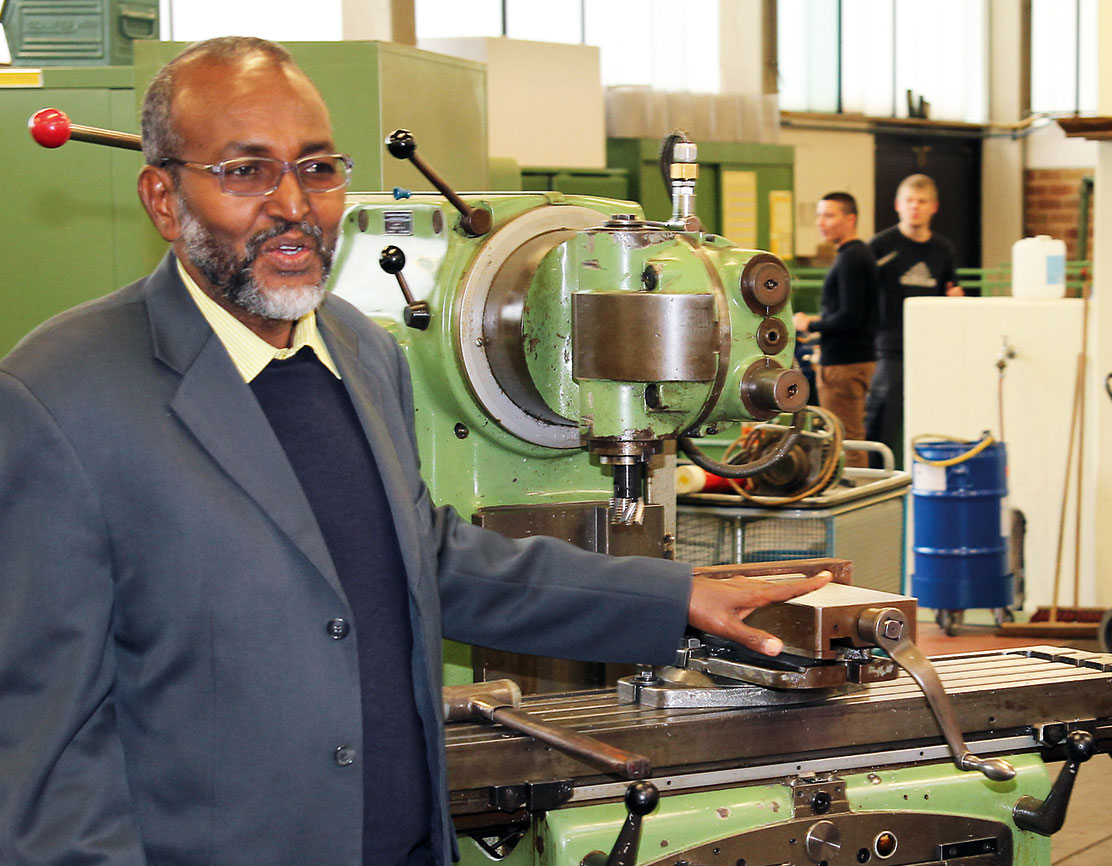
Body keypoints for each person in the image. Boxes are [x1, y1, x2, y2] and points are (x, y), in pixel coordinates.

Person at [0, 37, 828, 866]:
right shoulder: (64, 396)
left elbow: (426, 561)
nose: (294, 204)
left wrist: (674, 599)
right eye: (246, 171)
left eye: (318, 168)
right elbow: (42, 763)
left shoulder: (360, 353)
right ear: (161, 195)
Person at [865, 173, 972, 458]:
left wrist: (955, 299)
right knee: (882, 420)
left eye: (922, 201)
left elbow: (951, 289)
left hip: (930, 347)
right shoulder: (879, 246)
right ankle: (876, 480)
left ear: (933, 207)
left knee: (934, 414)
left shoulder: (943, 250)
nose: (915, 207)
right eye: (909, 201)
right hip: (890, 348)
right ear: (898, 205)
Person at [794, 192, 878, 467]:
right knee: (849, 435)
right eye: (819, 215)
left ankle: (856, 500)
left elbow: (850, 317)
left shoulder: (851, 259)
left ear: (850, 219)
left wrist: (810, 324)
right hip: (858, 357)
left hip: (844, 363)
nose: (821, 222)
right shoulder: (857, 255)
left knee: (846, 439)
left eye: (829, 215)